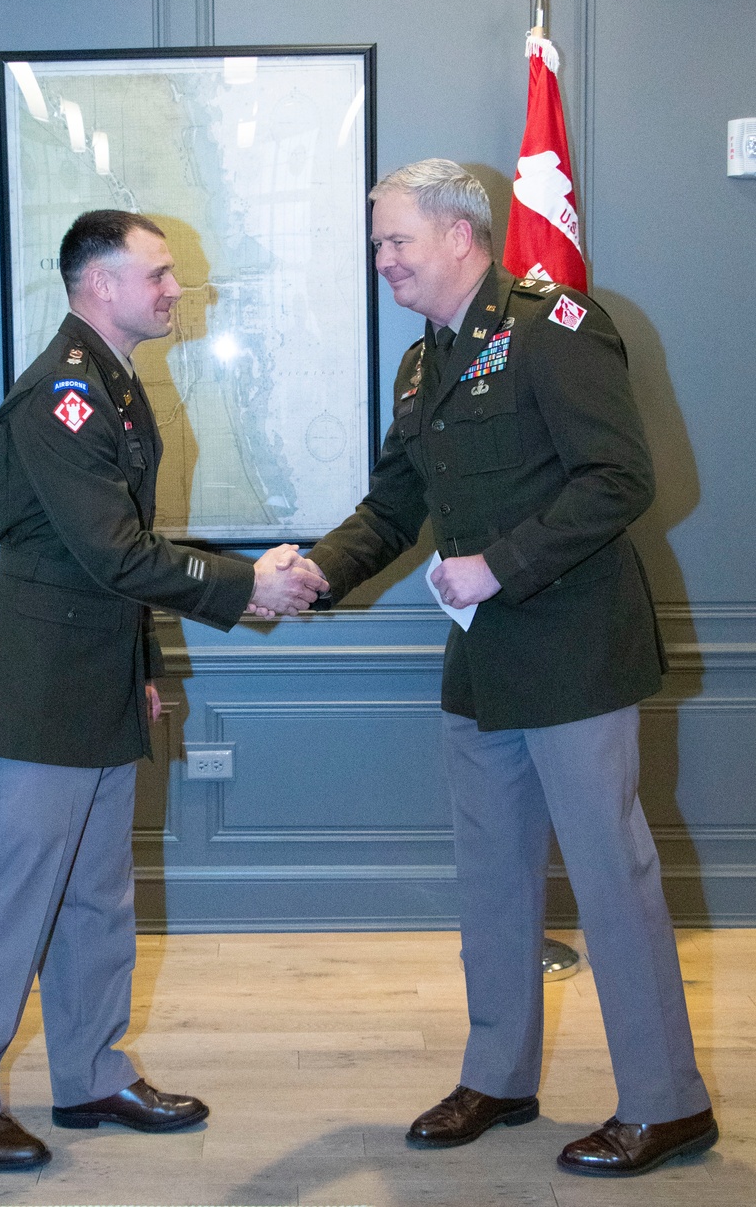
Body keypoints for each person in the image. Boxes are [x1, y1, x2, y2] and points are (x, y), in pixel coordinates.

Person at [304, 159, 717, 1177]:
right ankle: (498, 1075)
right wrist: (313, 572)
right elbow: (394, 505)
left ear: (460, 234)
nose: (382, 260)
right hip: (483, 664)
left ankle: (667, 1105)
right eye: (377, 243)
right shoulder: (422, 364)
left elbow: (621, 477)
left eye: (395, 239)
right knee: (490, 880)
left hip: (573, 650)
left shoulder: (553, 327)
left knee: (612, 882)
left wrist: (499, 563)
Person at [0, 209, 327, 1172]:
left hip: (95, 675)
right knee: (9, 894)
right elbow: (111, 552)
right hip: (37, 680)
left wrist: (141, 674)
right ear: (99, 283)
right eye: (158, 273)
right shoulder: (61, 395)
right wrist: (248, 586)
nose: (174, 288)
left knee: (99, 893)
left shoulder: (117, 389)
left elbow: (113, 560)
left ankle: (91, 1073)